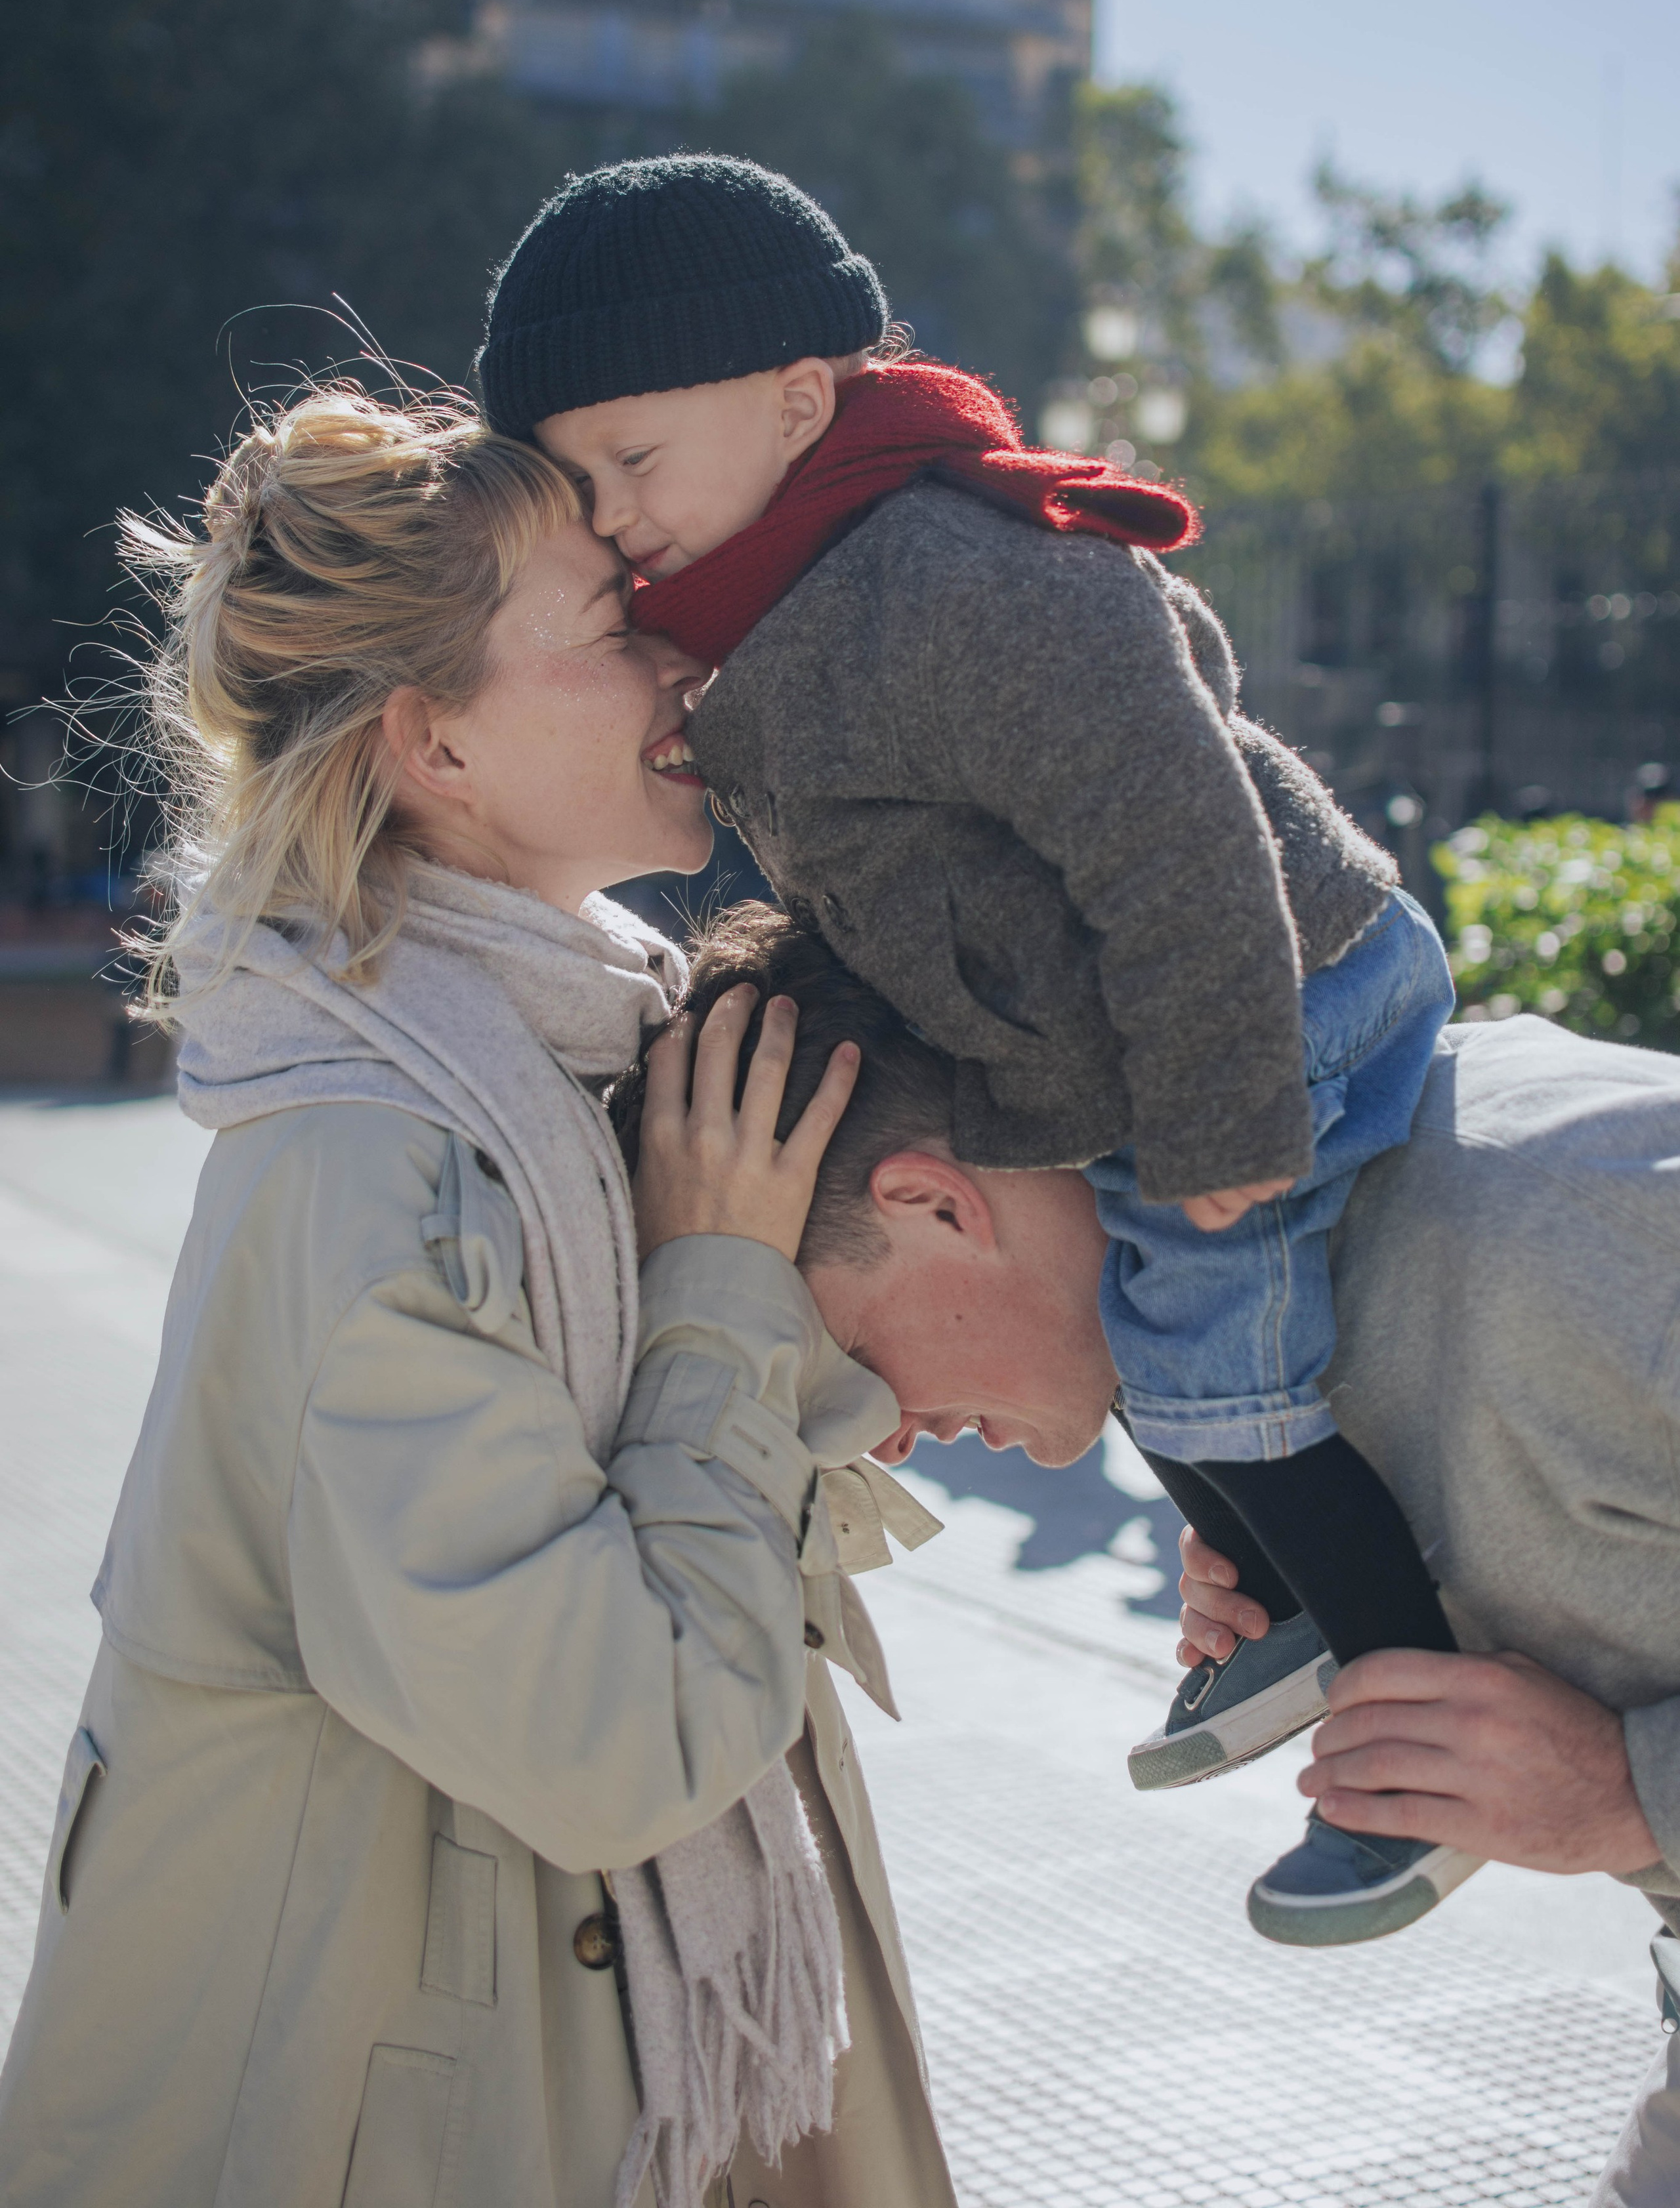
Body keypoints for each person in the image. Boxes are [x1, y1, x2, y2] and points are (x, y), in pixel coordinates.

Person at [479, 151, 1463, 1941]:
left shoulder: (946, 574)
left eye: (632, 461)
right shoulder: (787, 609)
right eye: (577, 482)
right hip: (1164, 1026)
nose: (609, 514)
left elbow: (1174, 820)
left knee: (1199, 1346)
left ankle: (1421, 1738)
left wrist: (1221, 1099)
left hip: (1282, 996)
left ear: (795, 401)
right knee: (1184, 1363)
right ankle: (1284, 1595)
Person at [0, 389, 959, 2208]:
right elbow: (621, 1746)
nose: (679, 651)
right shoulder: (374, 1174)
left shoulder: (575, 1066)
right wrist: (721, 1294)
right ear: (433, 746)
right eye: (609, 631)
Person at [625, 902, 1680, 2202]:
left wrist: (1625, 1793)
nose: (878, 1442)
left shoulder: (1560, 1226)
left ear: (932, 1205)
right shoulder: (1266, 1365)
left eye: (835, 1365)